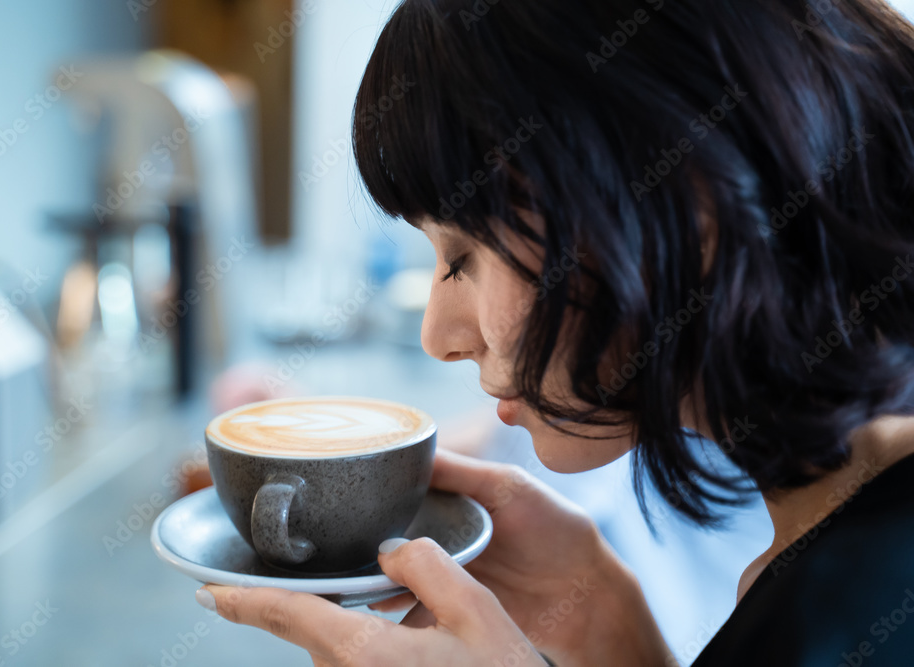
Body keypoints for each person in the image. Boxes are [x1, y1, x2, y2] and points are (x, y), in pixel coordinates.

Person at [193, 0, 914, 664]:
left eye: (463, 257)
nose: (438, 336)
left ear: (681, 196)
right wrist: (612, 632)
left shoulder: (850, 610)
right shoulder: (835, 537)